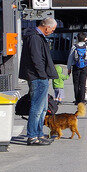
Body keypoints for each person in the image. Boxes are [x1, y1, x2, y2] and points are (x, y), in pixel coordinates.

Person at [19, 17, 58, 145]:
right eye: (52, 29)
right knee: (37, 108)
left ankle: (39, 133)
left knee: (42, 108)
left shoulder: (36, 36)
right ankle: (32, 137)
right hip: (37, 77)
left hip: (39, 76)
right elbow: (36, 59)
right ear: (46, 27)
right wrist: (43, 75)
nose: (52, 31)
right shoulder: (35, 38)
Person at [67, 32, 87, 105]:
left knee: (76, 84)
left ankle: (77, 100)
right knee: (82, 84)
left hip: (76, 67)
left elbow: (70, 59)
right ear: (85, 38)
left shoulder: (74, 47)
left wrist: (69, 68)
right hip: (84, 68)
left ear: (78, 38)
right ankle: (82, 100)